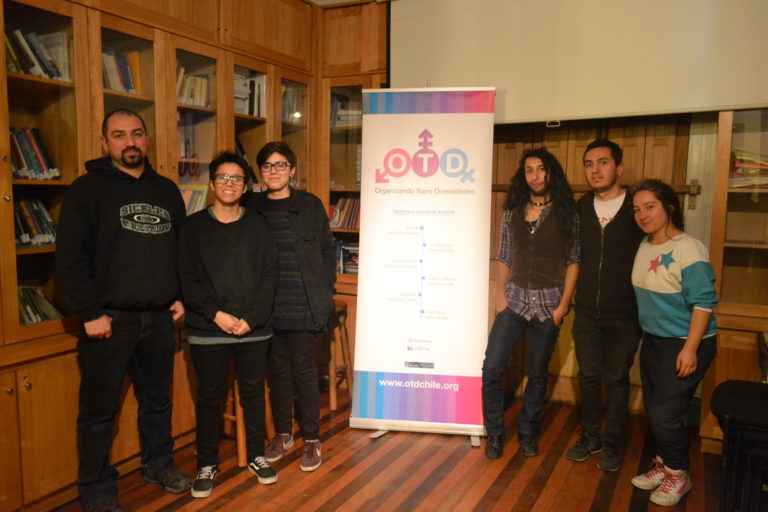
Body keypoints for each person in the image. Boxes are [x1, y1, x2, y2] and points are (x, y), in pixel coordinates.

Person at [56, 109, 190, 512]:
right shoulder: (86, 190)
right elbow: (70, 259)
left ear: (146, 139)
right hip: (107, 321)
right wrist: (89, 312)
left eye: (136, 134)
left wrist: (180, 295)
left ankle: (158, 465)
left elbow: (181, 249)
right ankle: (96, 488)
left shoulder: (166, 190)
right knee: (98, 413)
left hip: (160, 318)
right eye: (118, 135)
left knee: (158, 404)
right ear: (105, 143)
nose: (129, 142)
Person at [177, 152, 278, 498]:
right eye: (223, 177)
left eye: (237, 178)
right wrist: (216, 314)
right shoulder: (192, 228)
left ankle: (256, 455)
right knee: (210, 397)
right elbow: (188, 280)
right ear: (212, 184)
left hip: (253, 329)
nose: (230, 183)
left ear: (246, 186)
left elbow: (269, 276)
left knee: (253, 394)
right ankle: (207, 463)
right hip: (208, 329)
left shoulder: (259, 227)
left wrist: (251, 319)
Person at [243, 141, 336, 472]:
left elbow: (327, 251)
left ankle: (312, 438)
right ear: (260, 172)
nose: (274, 171)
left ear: (292, 170)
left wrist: (326, 290)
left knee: (305, 373)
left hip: (304, 304)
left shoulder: (309, 205)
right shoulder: (252, 207)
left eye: (280, 165)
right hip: (267, 306)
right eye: (267, 166)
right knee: (278, 374)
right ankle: (283, 434)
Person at [482, 147, 580, 459]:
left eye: (541, 169)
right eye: (529, 170)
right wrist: (500, 297)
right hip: (513, 302)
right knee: (492, 368)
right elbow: (504, 257)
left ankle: (527, 433)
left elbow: (574, 261)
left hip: (549, 305)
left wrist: (563, 306)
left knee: (537, 374)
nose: (535, 176)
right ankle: (495, 434)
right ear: (523, 175)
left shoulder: (566, 214)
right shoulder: (512, 213)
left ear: (550, 173)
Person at [629, 178, 717, 506]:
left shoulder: (688, 248)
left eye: (650, 207)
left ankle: (679, 475)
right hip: (655, 340)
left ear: (669, 207)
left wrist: (690, 349)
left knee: (665, 414)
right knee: (655, 409)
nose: (643, 215)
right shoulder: (645, 244)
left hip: (686, 342)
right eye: (637, 209)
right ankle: (665, 465)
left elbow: (704, 302)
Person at [567, 139, 645, 472]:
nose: (595, 170)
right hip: (586, 311)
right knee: (588, 376)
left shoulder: (636, 207)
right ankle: (590, 437)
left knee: (616, 378)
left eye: (603, 162)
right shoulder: (582, 207)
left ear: (619, 167)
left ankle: (612, 442)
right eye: (589, 164)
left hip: (626, 314)